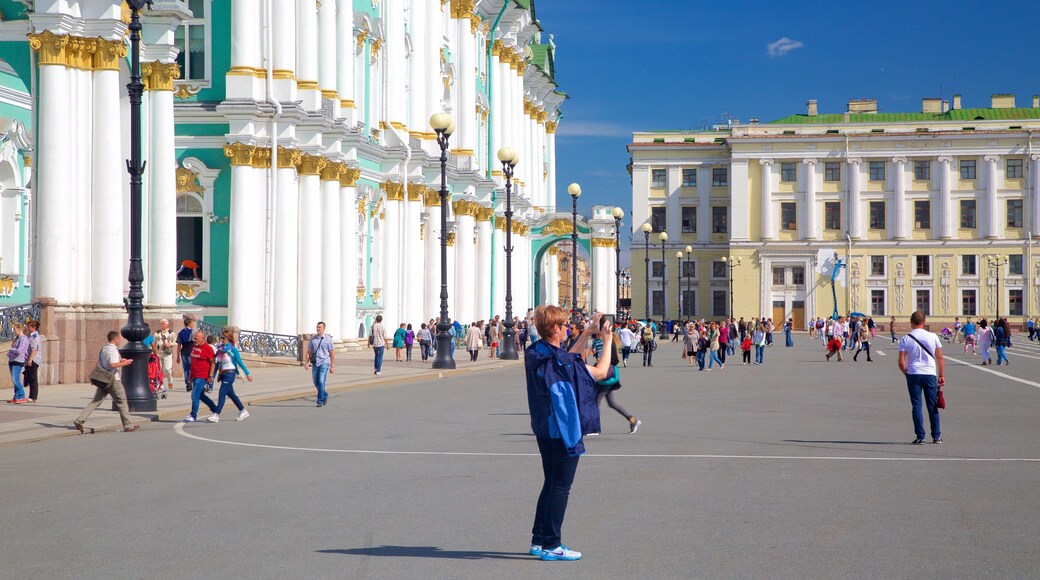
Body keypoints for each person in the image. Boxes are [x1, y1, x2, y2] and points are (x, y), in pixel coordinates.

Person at [524, 307, 611, 561]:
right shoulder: (561, 361)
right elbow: (601, 372)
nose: (567, 329)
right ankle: (552, 544)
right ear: (555, 329)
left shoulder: (536, 352)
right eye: (564, 326)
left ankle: (539, 540)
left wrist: (586, 332)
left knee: (550, 483)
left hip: (544, 427)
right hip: (563, 429)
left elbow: (566, 358)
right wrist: (606, 341)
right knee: (561, 486)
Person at [74, 331, 139, 433]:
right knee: (122, 401)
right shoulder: (112, 350)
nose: (119, 341)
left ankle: (80, 420)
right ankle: (128, 425)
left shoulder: (104, 349)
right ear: (116, 339)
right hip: (113, 379)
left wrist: (121, 360)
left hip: (102, 379)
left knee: (95, 401)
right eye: (118, 339)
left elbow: (106, 362)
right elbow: (112, 364)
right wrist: (125, 363)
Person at [897, 311, 944, 444]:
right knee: (932, 405)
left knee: (916, 405)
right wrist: (941, 375)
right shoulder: (933, 336)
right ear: (924, 322)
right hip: (930, 373)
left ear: (911, 322)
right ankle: (936, 436)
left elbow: (901, 361)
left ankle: (920, 436)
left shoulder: (906, 338)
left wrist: (907, 373)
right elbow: (939, 357)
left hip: (913, 373)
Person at [590, 321, 641, 434]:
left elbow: (611, 360)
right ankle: (632, 420)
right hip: (610, 376)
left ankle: (594, 427)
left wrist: (600, 363)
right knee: (612, 403)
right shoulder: (609, 342)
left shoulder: (609, 344)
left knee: (596, 401)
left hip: (606, 376)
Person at [207, 328, 253, 422]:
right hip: (223, 374)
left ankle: (216, 414)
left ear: (228, 338)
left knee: (222, 393)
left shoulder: (232, 349)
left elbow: (240, 362)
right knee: (231, 395)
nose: (221, 339)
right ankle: (243, 410)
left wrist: (248, 374)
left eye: (223, 337)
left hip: (230, 373)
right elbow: (217, 364)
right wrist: (212, 376)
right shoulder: (220, 350)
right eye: (220, 337)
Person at [183, 330, 219, 422]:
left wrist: (211, 376)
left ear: (202, 338)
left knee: (194, 395)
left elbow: (213, 363)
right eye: (194, 338)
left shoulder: (207, 348)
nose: (194, 340)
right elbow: (193, 362)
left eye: (196, 338)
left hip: (202, 376)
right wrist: (190, 376)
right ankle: (215, 410)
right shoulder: (194, 347)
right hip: (194, 375)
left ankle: (193, 415)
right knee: (201, 396)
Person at [304, 321, 335, 407]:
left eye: (319, 327)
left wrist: (332, 366)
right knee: (316, 382)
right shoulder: (313, 339)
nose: (318, 329)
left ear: (323, 328)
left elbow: (332, 353)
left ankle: (320, 400)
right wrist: (306, 363)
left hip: (324, 362)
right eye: (317, 327)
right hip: (315, 363)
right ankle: (324, 394)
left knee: (321, 381)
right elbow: (308, 352)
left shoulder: (328, 339)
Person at [7, 322, 29, 403]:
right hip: (12, 360)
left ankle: (22, 396)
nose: (14, 331)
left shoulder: (23, 338)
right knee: (14, 379)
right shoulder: (17, 338)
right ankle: (16, 396)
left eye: (15, 329)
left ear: (20, 329)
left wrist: (10, 350)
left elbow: (19, 351)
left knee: (15, 379)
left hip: (18, 360)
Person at [152, 318, 176, 394]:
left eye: (164, 323)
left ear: (167, 324)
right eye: (161, 323)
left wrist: (170, 344)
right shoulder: (157, 333)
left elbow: (175, 342)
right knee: (160, 370)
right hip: (159, 353)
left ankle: (170, 380)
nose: (162, 325)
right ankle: (160, 384)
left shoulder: (171, 333)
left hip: (167, 353)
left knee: (167, 368)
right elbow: (154, 342)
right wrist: (154, 351)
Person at [176, 315, 196, 391]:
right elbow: (195, 343)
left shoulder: (180, 333)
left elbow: (178, 346)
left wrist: (177, 356)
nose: (193, 324)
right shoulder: (193, 332)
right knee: (192, 369)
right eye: (192, 323)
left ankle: (187, 384)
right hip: (191, 353)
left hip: (183, 353)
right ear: (189, 324)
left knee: (186, 369)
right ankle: (192, 382)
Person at [24, 320, 42, 402]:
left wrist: (30, 359)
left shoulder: (35, 337)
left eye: (29, 326)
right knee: (29, 377)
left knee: (33, 378)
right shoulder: (29, 335)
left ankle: (33, 396)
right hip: (29, 358)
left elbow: (34, 349)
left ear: (34, 328)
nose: (28, 328)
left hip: (34, 359)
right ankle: (31, 395)